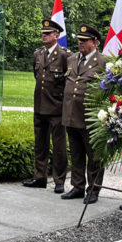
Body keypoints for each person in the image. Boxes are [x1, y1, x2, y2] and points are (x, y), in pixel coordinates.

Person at [61, 25, 105, 204]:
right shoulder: (71, 59)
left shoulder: (103, 62)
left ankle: (93, 190)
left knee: (94, 156)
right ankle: (77, 186)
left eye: (84, 40)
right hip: (71, 114)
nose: (80, 43)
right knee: (76, 154)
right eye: (79, 40)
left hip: (90, 118)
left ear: (94, 43)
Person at [24, 19, 69, 192]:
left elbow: (66, 81)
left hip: (56, 108)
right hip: (40, 106)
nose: (44, 35)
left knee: (58, 147)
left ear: (56, 36)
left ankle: (59, 181)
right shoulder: (38, 54)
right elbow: (37, 76)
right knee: (40, 144)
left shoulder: (64, 55)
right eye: (43, 33)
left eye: (48, 33)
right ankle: (39, 177)